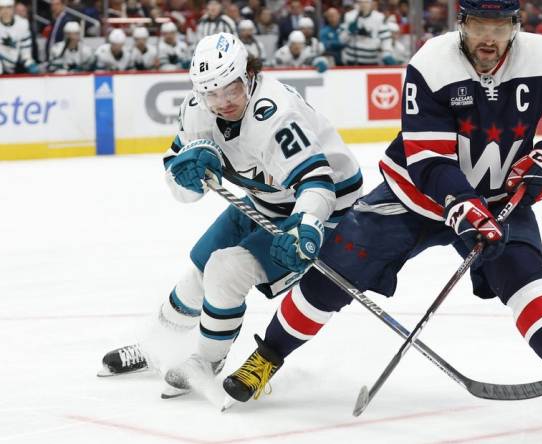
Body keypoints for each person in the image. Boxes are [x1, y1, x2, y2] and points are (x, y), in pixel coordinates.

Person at [220, 0, 542, 423]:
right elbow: (428, 160)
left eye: (500, 25)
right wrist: (462, 205)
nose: (490, 38)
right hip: (413, 197)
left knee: (525, 274)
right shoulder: (432, 63)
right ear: (462, 23)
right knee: (336, 269)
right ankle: (267, 357)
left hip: (498, 199)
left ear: (516, 24)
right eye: (480, 25)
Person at [98, 32, 363, 400]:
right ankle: (158, 347)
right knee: (198, 273)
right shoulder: (196, 107)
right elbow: (180, 187)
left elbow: (318, 182)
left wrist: (308, 224)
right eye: (212, 93)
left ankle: (206, 361)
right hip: (267, 198)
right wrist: (188, 177)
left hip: (324, 209)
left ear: (249, 76)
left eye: (232, 90)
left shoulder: (274, 114)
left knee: (225, 270)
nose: (222, 103)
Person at [339, 0, 395, 65]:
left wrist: (387, 52)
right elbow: (341, 40)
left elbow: (386, 38)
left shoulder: (379, 17)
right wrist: (348, 31)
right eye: (360, 2)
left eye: (366, 2)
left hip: (372, 60)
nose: (363, 5)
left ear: (371, 4)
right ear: (356, 4)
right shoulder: (349, 16)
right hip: (352, 60)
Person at [0, 0, 38, 74]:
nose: (5, 11)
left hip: (16, 64)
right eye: (1, 8)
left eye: (8, 8)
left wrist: (30, 64)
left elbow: (26, 52)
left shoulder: (23, 24)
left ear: (13, 8)